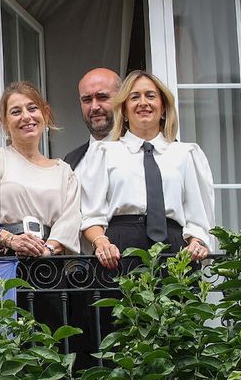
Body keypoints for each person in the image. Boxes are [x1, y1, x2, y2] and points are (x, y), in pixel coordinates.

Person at [80, 70, 216, 270]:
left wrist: (198, 242)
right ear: (124, 110)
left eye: (150, 96)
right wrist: (101, 243)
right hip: (117, 252)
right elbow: (90, 215)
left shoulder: (186, 154)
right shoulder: (104, 152)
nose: (143, 102)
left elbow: (199, 217)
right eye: (134, 97)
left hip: (175, 251)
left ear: (163, 108)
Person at [0, 82, 82, 258]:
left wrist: (46, 251)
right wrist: (10, 240)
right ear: (4, 123)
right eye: (16, 112)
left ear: (45, 114)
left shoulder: (64, 172)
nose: (26, 116)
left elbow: (70, 222)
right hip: (2, 260)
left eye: (32, 108)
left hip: (48, 267)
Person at [63, 67, 119, 171]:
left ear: (121, 99)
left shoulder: (140, 153)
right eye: (87, 100)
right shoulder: (70, 161)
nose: (94, 107)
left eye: (102, 97)